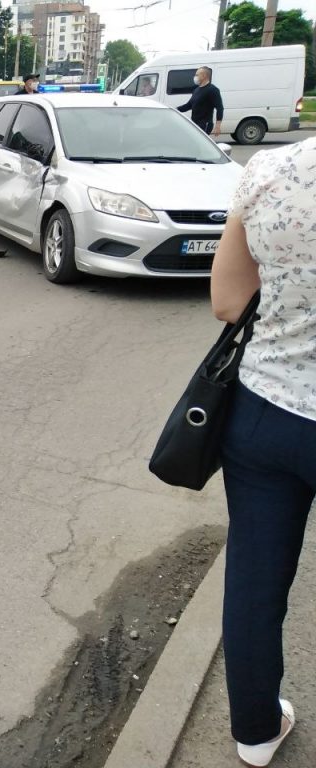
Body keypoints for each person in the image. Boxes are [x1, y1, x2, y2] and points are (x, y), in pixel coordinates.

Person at [211, 137, 316, 767]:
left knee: (254, 580)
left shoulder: (274, 169)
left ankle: (254, 734)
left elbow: (227, 303)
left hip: (268, 411)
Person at [177, 66, 223, 136]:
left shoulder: (213, 90)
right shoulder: (196, 90)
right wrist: (174, 109)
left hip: (205, 125)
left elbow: (220, 108)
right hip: (195, 124)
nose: (195, 77)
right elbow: (188, 105)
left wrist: (218, 126)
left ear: (204, 75)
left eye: (197, 75)